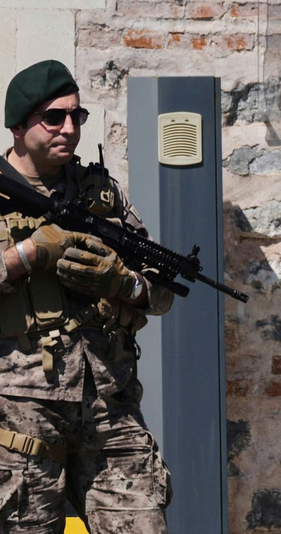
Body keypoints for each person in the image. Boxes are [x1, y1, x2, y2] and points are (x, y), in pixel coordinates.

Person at [0, 60, 172, 532]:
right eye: (54, 117)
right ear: (18, 126)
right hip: (19, 417)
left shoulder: (102, 195)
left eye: (77, 116)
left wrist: (123, 282)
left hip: (110, 406)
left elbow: (161, 293)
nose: (69, 128)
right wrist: (27, 254)